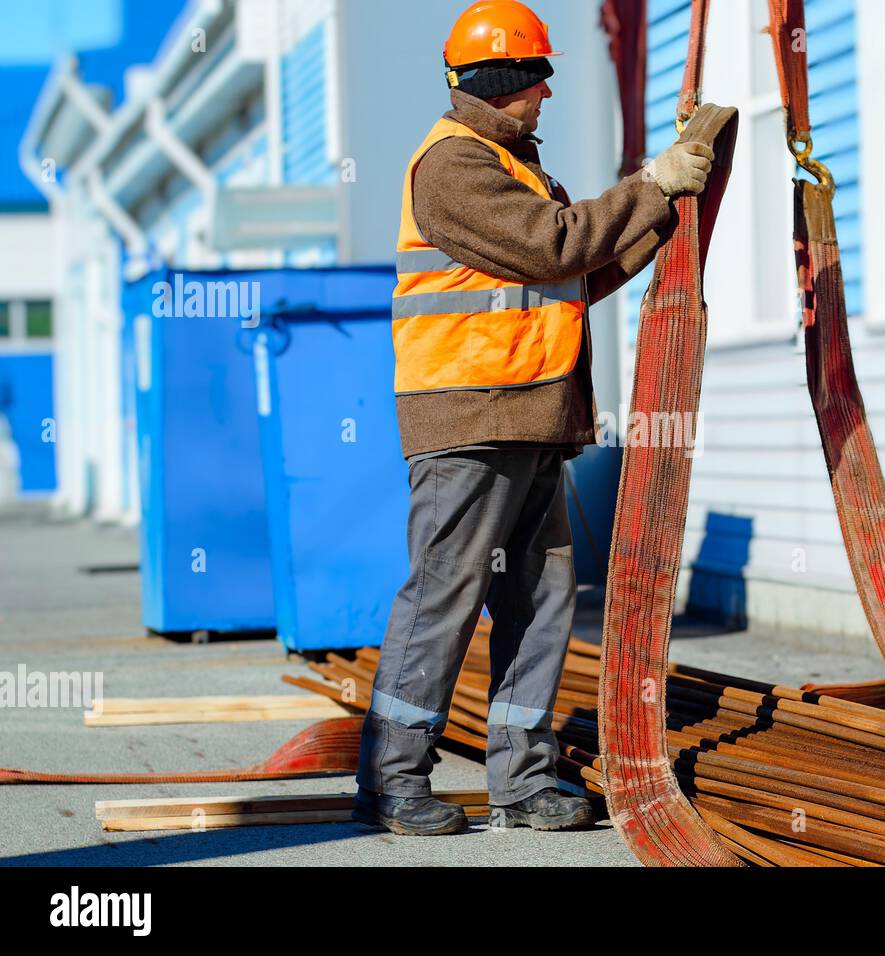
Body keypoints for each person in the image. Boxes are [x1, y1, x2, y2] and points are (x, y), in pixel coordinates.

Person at [354, 0, 715, 836]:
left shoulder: (516, 166)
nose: (549, 94)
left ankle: (523, 779)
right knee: (444, 593)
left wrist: (664, 210)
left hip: (529, 413)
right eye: (539, 78)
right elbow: (558, 244)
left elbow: (577, 270)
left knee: (542, 596)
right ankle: (393, 777)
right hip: (470, 418)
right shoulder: (455, 168)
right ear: (505, 81)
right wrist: (650, 186)